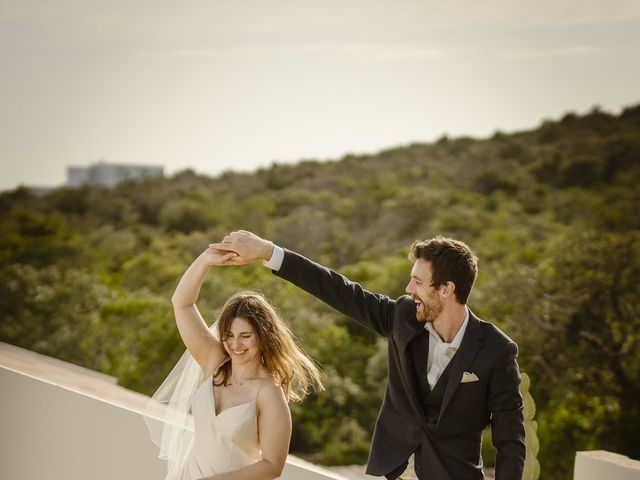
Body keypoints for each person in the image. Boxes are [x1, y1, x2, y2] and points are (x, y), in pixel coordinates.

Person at [211, 230, 526, 480]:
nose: (409, 288)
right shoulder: (402, 317)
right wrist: (268, 251)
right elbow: (340, 290)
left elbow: (510, 440)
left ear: (446, 288)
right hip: (392, 474)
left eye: (418, 281)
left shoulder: (497, 350)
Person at [145, 246, 323, 480]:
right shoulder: (214, 361)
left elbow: (272, 465)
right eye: (228, 335)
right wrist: (205, 260)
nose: (235, 344)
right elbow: (181, 303)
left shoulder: (269, 393)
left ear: (263, 336)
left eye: (245, 336)